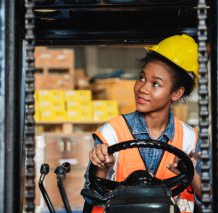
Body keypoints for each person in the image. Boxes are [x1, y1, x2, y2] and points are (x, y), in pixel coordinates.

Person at [83, 34, 203, 213]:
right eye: (142, 78)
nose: (142, 88)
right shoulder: (111, 133)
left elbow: (211, 199)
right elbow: (91, 196)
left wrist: (190, 174)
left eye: (155, 84)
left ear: (176, 93)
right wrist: (102, 167)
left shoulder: (190, 139)